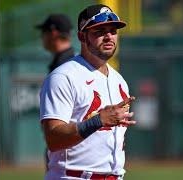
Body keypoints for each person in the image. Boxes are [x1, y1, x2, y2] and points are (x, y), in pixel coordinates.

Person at [39, 4, 136, 180]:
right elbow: (53, 139)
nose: (108, 36)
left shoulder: (119, 81)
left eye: (113, 30)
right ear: (81, 36)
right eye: (99, 31)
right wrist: (98, 121)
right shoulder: (64, 76)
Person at [36, 13, 76, 172]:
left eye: (43, 32)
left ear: (53, 34)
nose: (41, 37)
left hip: (68, 148)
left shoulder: (64, 67)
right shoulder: (67, 62)